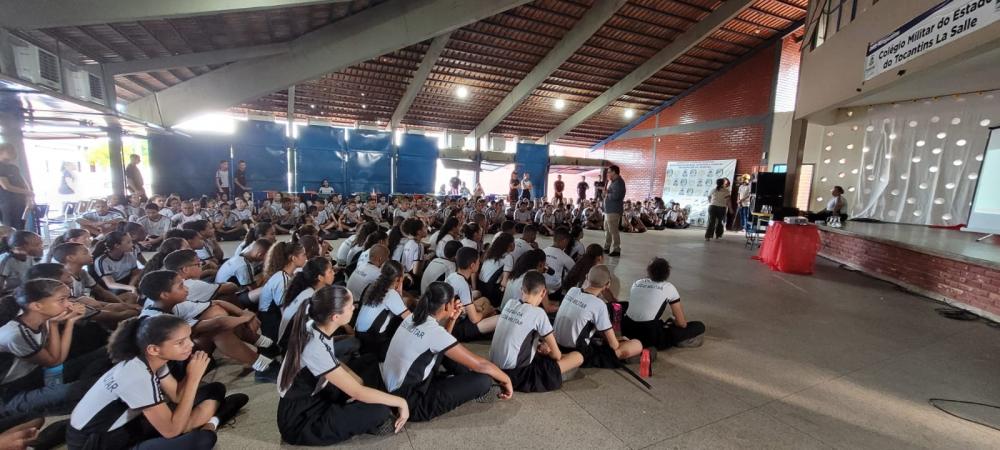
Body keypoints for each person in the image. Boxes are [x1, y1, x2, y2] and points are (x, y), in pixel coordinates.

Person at [66, 315, 248, 450]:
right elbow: (171, 431)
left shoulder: (152, 361)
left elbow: (177, 396)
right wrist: (193, 378)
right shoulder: (135, 375)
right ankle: (212, 422)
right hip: (98, 443)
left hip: (128, 423)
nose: (191, 345)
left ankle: (191, 424)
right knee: (202, 441)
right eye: (180, 342)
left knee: (215, 389)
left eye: (189, 338)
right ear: (153, 349)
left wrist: (192, 376)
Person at [277, 285, 407, 445]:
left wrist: (356, 381)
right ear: (335, 317)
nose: (354, 308)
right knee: (379, 410)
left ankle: (355, 409)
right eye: (350, 306)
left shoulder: (315, 326)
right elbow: (357, 391)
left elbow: (332, 360)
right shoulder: (314, 347)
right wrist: (401, 402)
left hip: (317, 394)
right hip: (301, 420)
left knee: (369, 362)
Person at [381, 282, 512, 422]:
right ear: (446, 306)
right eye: (453, 301)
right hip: (412, 404)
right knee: (483, 380)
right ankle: (467, 383)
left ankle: (462, 379)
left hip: (393, 390)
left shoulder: (412, 318)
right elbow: (481, 365)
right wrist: (506, 380)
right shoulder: (434, 332)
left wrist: (452, 320)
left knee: (450, 352)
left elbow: (442, 344)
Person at [0, 279, 107, 433]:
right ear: (37, 306)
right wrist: (69, 322)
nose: (69, 304)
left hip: (34, 376)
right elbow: (54, 361)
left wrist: (55, 323)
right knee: (91, 387)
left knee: (104, 352)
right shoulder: (15, 334)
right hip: (10, 394)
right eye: (62, 300)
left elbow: (54, 358)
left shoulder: (41, 318)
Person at [489, 271, 583, 392]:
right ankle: (555, 373)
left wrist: (539, 345)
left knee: (544, 351)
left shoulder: (510, 303)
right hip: (517, 375)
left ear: (522, 289)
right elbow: (557, 355)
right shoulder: (538, 313)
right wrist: (548, 352)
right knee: (577, 357)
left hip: (494, 368)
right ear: (543, 292)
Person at [554, 265, 643, 368]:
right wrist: (619, 340)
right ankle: (624, 357)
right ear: (608, 284)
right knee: (636, 344)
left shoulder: (572, 290)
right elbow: (614, 345)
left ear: (587, 277)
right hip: (578, 352)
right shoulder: (599, 304)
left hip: (555, 345)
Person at [623, 258, 705, 350]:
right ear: (667, 273)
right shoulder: (668, 287)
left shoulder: (637, 283)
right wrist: (677, 323)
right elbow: (682, 324)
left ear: (648, 270)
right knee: (699, 326)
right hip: (650, 336)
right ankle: (676, 340)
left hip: (627, 330)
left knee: (665, 322)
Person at [356, 261, 411, 359]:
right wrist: (400, 289)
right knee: (402, 324)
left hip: (359, 333)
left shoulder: (372, 286)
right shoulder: (391, 294)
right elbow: (409, 318)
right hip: (373, 340)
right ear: (398, 278)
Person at [446, 248, 498, 342]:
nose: (480, 264)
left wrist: (477, 309)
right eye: (478, 262)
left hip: (451, 317)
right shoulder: (463, 285)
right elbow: (474, 319)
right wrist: (486, 311)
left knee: (484, 300)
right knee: (498, 317)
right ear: (472, 265)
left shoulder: (453, 276)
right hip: (453, 327)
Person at [0, 143, 33, 230]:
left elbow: (22, 183)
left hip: (19, 201)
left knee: (20, 226)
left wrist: (28, 196)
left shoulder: (14, 168)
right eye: (9, 150)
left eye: (12, 150)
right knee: (10, 228)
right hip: (7, 202)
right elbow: (6, 186)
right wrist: (27, 192)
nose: (12, 152)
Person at [603, 165, 625, 257]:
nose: (608, 174)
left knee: (613, 230)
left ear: (614, 172)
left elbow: (616, 196)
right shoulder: (613, 182)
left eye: (609, 172)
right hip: (609, 210)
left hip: (614, 210)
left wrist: (607, 194)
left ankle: (616, 249)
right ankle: (606, 247)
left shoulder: (618, 183)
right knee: (607, 229)